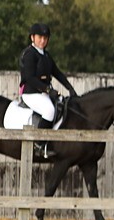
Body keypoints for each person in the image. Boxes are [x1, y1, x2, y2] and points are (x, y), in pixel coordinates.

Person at [19, 23, 77, 159]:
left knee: (63, 105)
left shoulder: (46, 55)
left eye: (45, 38)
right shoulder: (29, 54)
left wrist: (70, 88)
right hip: (31, 93)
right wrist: (47, 89)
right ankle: (39, 145)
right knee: (49, 110)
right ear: (32, 37)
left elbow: (57, 73)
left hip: (43, 93)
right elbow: (29, 78)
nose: (43, 41)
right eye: (40, 37)